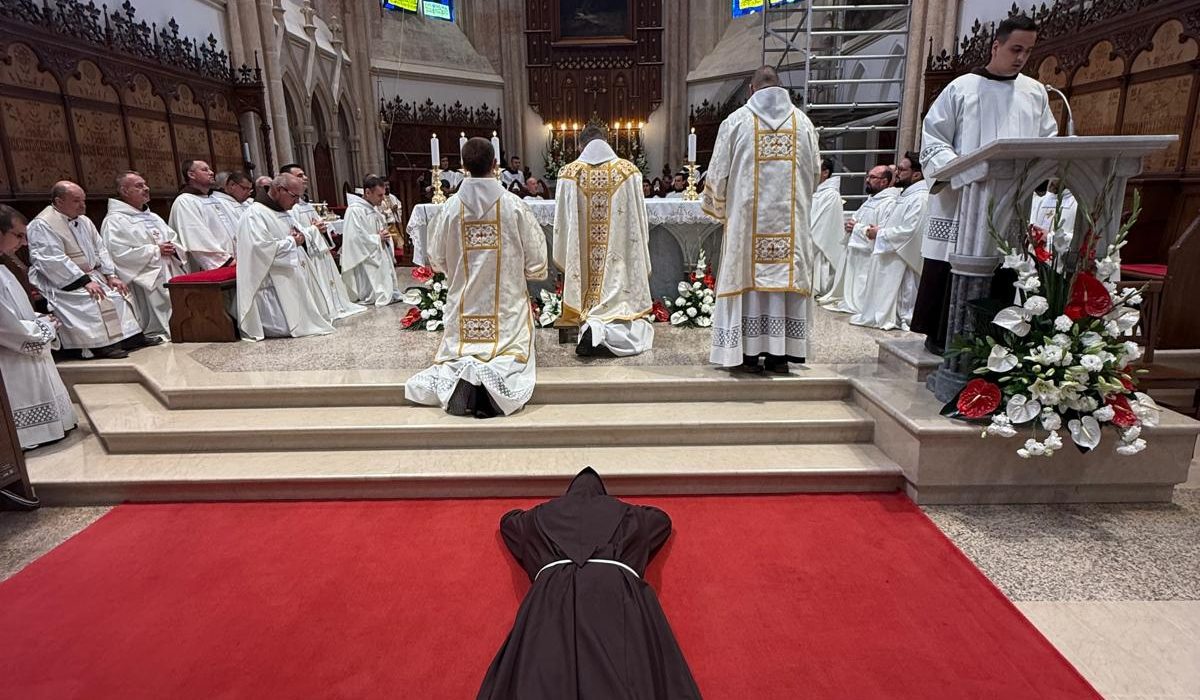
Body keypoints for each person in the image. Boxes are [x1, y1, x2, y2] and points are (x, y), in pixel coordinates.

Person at [477, 467, 702, 698]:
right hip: (615, 599)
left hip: (550, 600)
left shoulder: (537, 518)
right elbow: (661, 520)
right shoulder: (631, 517)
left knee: (541, 674)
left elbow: (509, 522)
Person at [911, 14, 1059, 354]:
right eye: (1015, 49)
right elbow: (933, 138)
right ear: (996, 46)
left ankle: (992, 341)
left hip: (1011, 200)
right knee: (951, 266)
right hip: (962, 199)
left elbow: (1047, 141)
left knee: (1003, 268)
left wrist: (1040, 171)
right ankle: (943, 338)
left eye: (1028, 51)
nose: (1021, 58)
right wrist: (960, 171)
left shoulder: (1035, 93)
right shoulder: (961, 88)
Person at [405, 137, 548, 418]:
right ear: (495, 165)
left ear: (463, 166)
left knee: (461, 352)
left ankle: (468, 375)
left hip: (464, 310)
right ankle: (491, 385)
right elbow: (537, 260)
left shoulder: (450, 208)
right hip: (506, 311)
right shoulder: (514, 206)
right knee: (509, 354)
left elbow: (436, 259)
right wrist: (525, 272)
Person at [702, 66, 821, 373]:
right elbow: (814, 175)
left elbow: (717, 176)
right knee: (783, 285)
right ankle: (781, 356)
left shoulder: (736, 122)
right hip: (791, 228)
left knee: (748, 286)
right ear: (781, 87)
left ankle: (748, 354)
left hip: (745, 231)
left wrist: (721, 209)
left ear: (751, 90)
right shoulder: (803, 124)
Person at [553, 124, 654, 357]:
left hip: (582, 265)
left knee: (588, 299)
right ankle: (602, 330)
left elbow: (562, 227)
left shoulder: (568, 173)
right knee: (625, 309)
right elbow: (640, 224)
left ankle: (593, 328)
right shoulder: (629, 172)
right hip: (618, 266)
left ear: (581, 146)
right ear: (607, 141)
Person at [26, 181, 152, 359]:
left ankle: (131, 338)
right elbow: (50, 259)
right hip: (61, 280)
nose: (82, 205)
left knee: (118, 292)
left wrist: (110, 275)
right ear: (59, 201)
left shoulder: (84, 220)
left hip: (91, 275)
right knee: (93, 299)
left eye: (83, 200)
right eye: (76, 201)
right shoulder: (43, 224)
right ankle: (100, 345)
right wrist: (84, 281)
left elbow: (100, 248)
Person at [0, 205, 78, 448]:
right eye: (18, 235)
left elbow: (16, 310)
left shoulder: (4, 267)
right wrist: (45, 328)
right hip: (11, 358)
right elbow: (8, 328)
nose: (24, 243)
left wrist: (40, 319)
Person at [235, 173, 335, 341]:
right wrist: (292, 242)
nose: (296, 202)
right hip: (272, 285)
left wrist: (302, 236)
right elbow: (259, 249)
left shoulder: (283, 211)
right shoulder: (254, 214)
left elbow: (298, 234)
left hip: (294, 276)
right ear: (279, 190)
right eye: (294, 196)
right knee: (286, 325)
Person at [100, 172, 187, 340]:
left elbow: (173, 237)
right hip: (146, 275)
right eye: (139, 186)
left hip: (169, 268)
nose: (146, 188)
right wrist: (155, 251)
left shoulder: (152, 216)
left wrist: (173, 248)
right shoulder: (115, 220)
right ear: (124, 191)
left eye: (145, 184)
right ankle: (163, 331)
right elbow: (117, 253)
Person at [851, 152, 930, 331]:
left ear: (916, 174)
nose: (896, 173)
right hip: (892, 253)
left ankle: (904, 318)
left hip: (903, 258)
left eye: (901, 169)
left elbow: (910, 231)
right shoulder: (906, 195)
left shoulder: (920, 198)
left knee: (904, 296)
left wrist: (881, 233)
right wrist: (879, 230)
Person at [279, 164, 366, 322]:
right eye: (299, 175)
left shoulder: (306, 205)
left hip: (319, 252)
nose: (305, 178)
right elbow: (295, 234)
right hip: (309, 255)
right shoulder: (290, 208)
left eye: (304, 174)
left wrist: (323, 229)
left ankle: (334, 304)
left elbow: (316, 226)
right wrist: (314, 229)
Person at [818, 166, 900, 314]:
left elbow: (880, 231)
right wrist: (851, 225)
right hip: (857, 252)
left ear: (884, 181)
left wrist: (856, 228)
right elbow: (857, 220)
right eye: (868, 176)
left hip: (869, 254)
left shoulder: (890, 203)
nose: (867, 180)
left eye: (872, 177)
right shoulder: (871, 200)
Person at [340, 175, 399, 307]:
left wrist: (384, 235)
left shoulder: (372, 209)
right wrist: (377, 238)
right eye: (379, 195)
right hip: (365, 257)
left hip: (378, 250)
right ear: (367, 192)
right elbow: (355, 238)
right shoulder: (355, 210)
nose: (383, 199)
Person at [168, 160, 237, 270]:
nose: (211, 172)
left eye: (210, 169)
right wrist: (225, 261)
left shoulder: (218, 198)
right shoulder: (185, 201)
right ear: (191, 175)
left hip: (236, 261)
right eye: (205, 170)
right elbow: (196, 237)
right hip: (216, 266)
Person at [809, 157, 845, 297]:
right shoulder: (815, 192)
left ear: (825, 173)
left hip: (820, 245)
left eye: (815, 170)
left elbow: (822, 225)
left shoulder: (831, 195)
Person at [1030, 180, 1077, 250]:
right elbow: (1032, 224)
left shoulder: (1076, 204)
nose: (1051, 181)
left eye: (1056, 177)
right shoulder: (1042, 199)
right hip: (1035, 254)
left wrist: (1050, 238)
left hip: (1058, 256)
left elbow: (1078, 240)